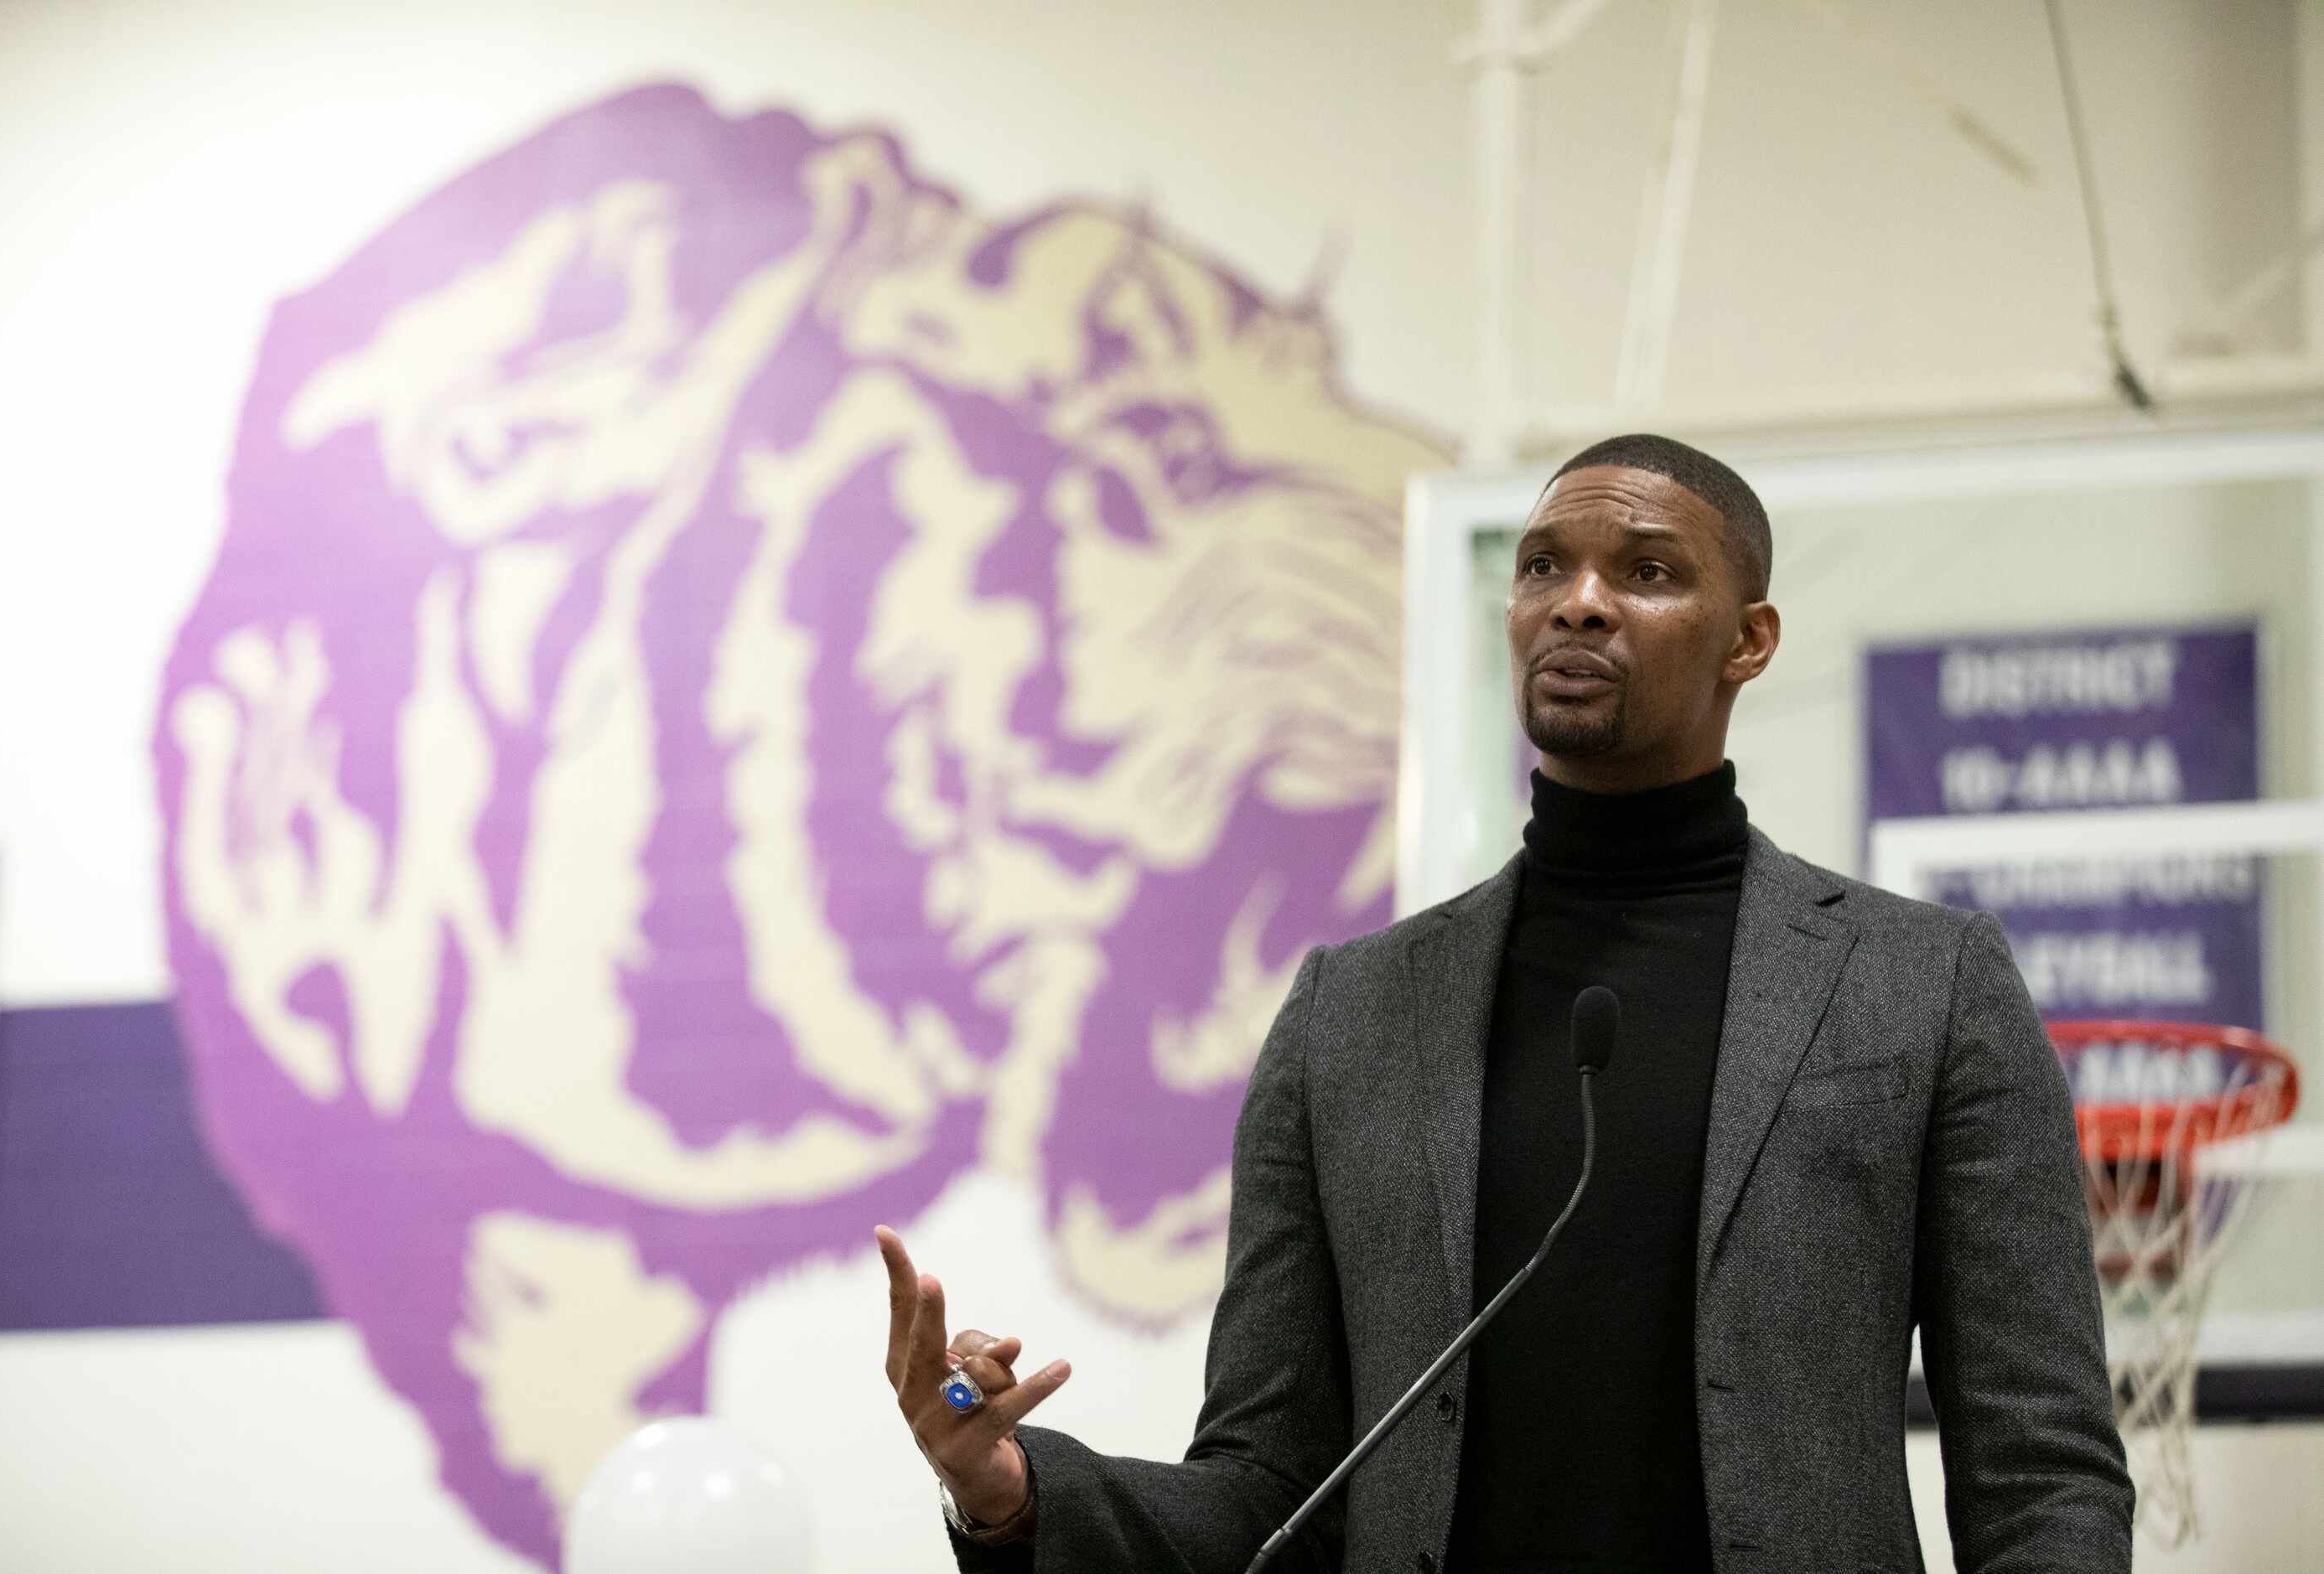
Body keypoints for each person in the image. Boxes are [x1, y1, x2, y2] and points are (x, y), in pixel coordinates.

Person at [876, 432, 2134, 1571]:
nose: (1577, 601)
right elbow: (1269, 1481)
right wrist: (1015, 1490)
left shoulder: (1925, 982)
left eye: (1643, 570)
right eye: (1542, 566)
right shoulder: (1348, 1013)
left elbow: (2041, 1473)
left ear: (1748, 639)